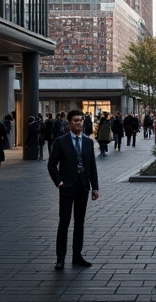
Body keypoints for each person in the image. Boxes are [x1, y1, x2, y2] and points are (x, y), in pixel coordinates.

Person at [48, 110, 100, 269]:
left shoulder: (88, 142)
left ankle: (77, 255)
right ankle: (60, 258)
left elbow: (92, 165)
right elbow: (51, 165)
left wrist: (95, 187)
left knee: (80, 222)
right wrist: (59, 182)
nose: (78, 123)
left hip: (83, 187)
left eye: (80, 120)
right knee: (64, 222)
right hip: (67, 187)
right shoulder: (60, 141)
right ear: (69, 122)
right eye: (75, 120)